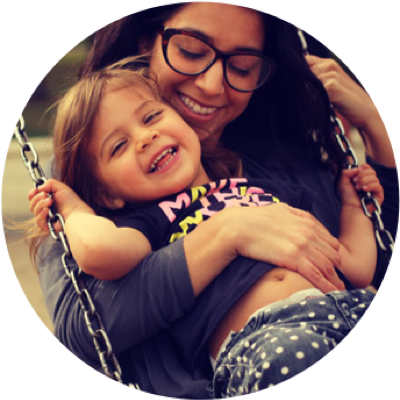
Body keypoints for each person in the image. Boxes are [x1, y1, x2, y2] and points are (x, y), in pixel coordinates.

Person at [30, 2, 397, 398]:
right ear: (146, 43)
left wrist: (376, 132)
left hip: (344, 311)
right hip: (263, 344)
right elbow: (85, 320)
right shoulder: (103, 185)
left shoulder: (274, 169)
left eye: (240, 67)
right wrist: (228, 232)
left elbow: (365, 262)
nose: (210, 84)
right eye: (190, 51)